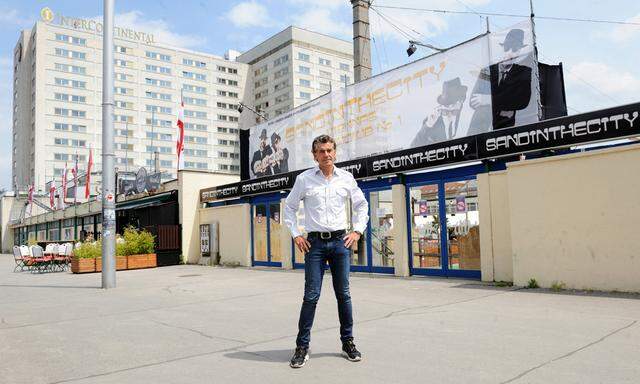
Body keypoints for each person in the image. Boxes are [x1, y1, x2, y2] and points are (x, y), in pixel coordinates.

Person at [284, 134, 369, 368]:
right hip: (315, 245)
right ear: (314, 155)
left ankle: (348, 342)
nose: (326, 154)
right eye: (321, 151)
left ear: (335, 152)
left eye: (330, 150)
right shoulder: (304, 179)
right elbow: (289, 208)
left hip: (341, 243)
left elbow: (362, 205)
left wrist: (357, 232)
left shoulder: (346, 178)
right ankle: (302, 346)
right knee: (311, 296)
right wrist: (296, 234)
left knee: (344, 294)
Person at [468, 28, 532, 134]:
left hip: (504, 132)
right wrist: (506, 103)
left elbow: (522, 101)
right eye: (507, 48)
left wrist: (488, 100)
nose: (510, 53)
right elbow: (474, 100)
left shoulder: (524, 72)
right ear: (502, 48)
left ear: (520, 51)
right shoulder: (487, 70)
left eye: (515, 49)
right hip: (478, 132)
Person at [411, 77, 467, 147]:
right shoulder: (433, 123)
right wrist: (428, 125)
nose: (449, 116)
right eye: (445, 112)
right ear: (441, 108)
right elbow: (413, 147)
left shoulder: (468, 117)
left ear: (460, 102)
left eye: (453, 111)